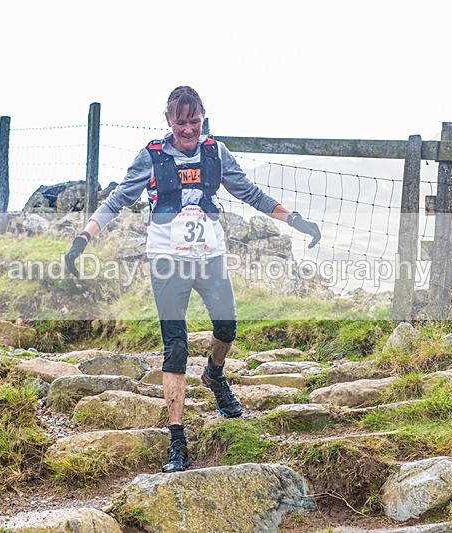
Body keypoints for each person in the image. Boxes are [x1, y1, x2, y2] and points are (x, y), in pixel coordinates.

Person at [65, 86, 321, 473]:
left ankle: (215, 375)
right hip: (166, 260)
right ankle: (177, 440)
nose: (188, 128)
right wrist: (83, 238)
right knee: (176, 346)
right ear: (168, 120)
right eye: (181, 121)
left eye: (195, 120)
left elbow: (249, 192)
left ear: (203, 118)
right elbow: (118, 199)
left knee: (228, 326)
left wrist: (295, 219)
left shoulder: (216, 152)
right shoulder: (152, 155)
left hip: (209, 256)